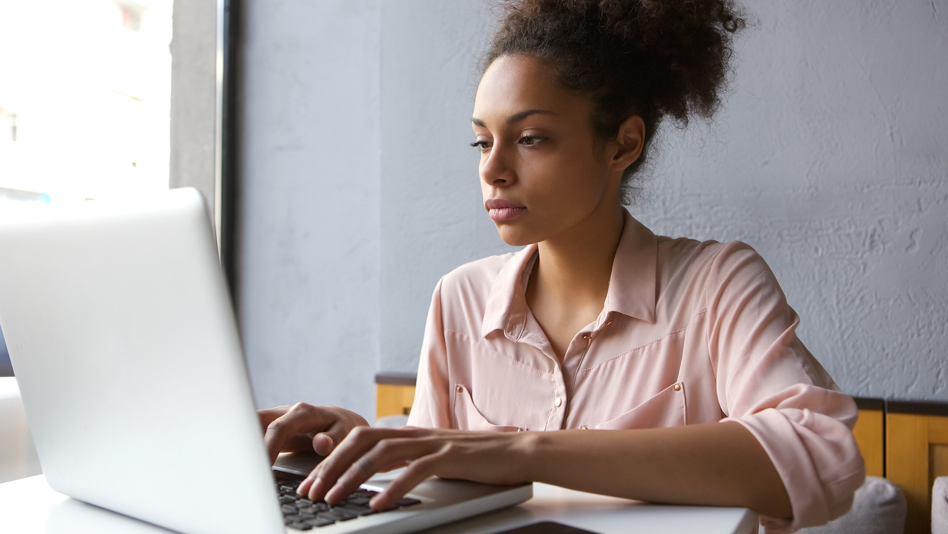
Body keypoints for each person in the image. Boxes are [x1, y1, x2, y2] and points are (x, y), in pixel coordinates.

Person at [258, 0, 866, 531]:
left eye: (531, 138)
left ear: (623, 144)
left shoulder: (715, 285)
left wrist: (525, 451)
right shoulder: (459, 299)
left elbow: (821, 457)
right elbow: (430, 491)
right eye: (481, 140)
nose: (493, 168)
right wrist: (351, 444)